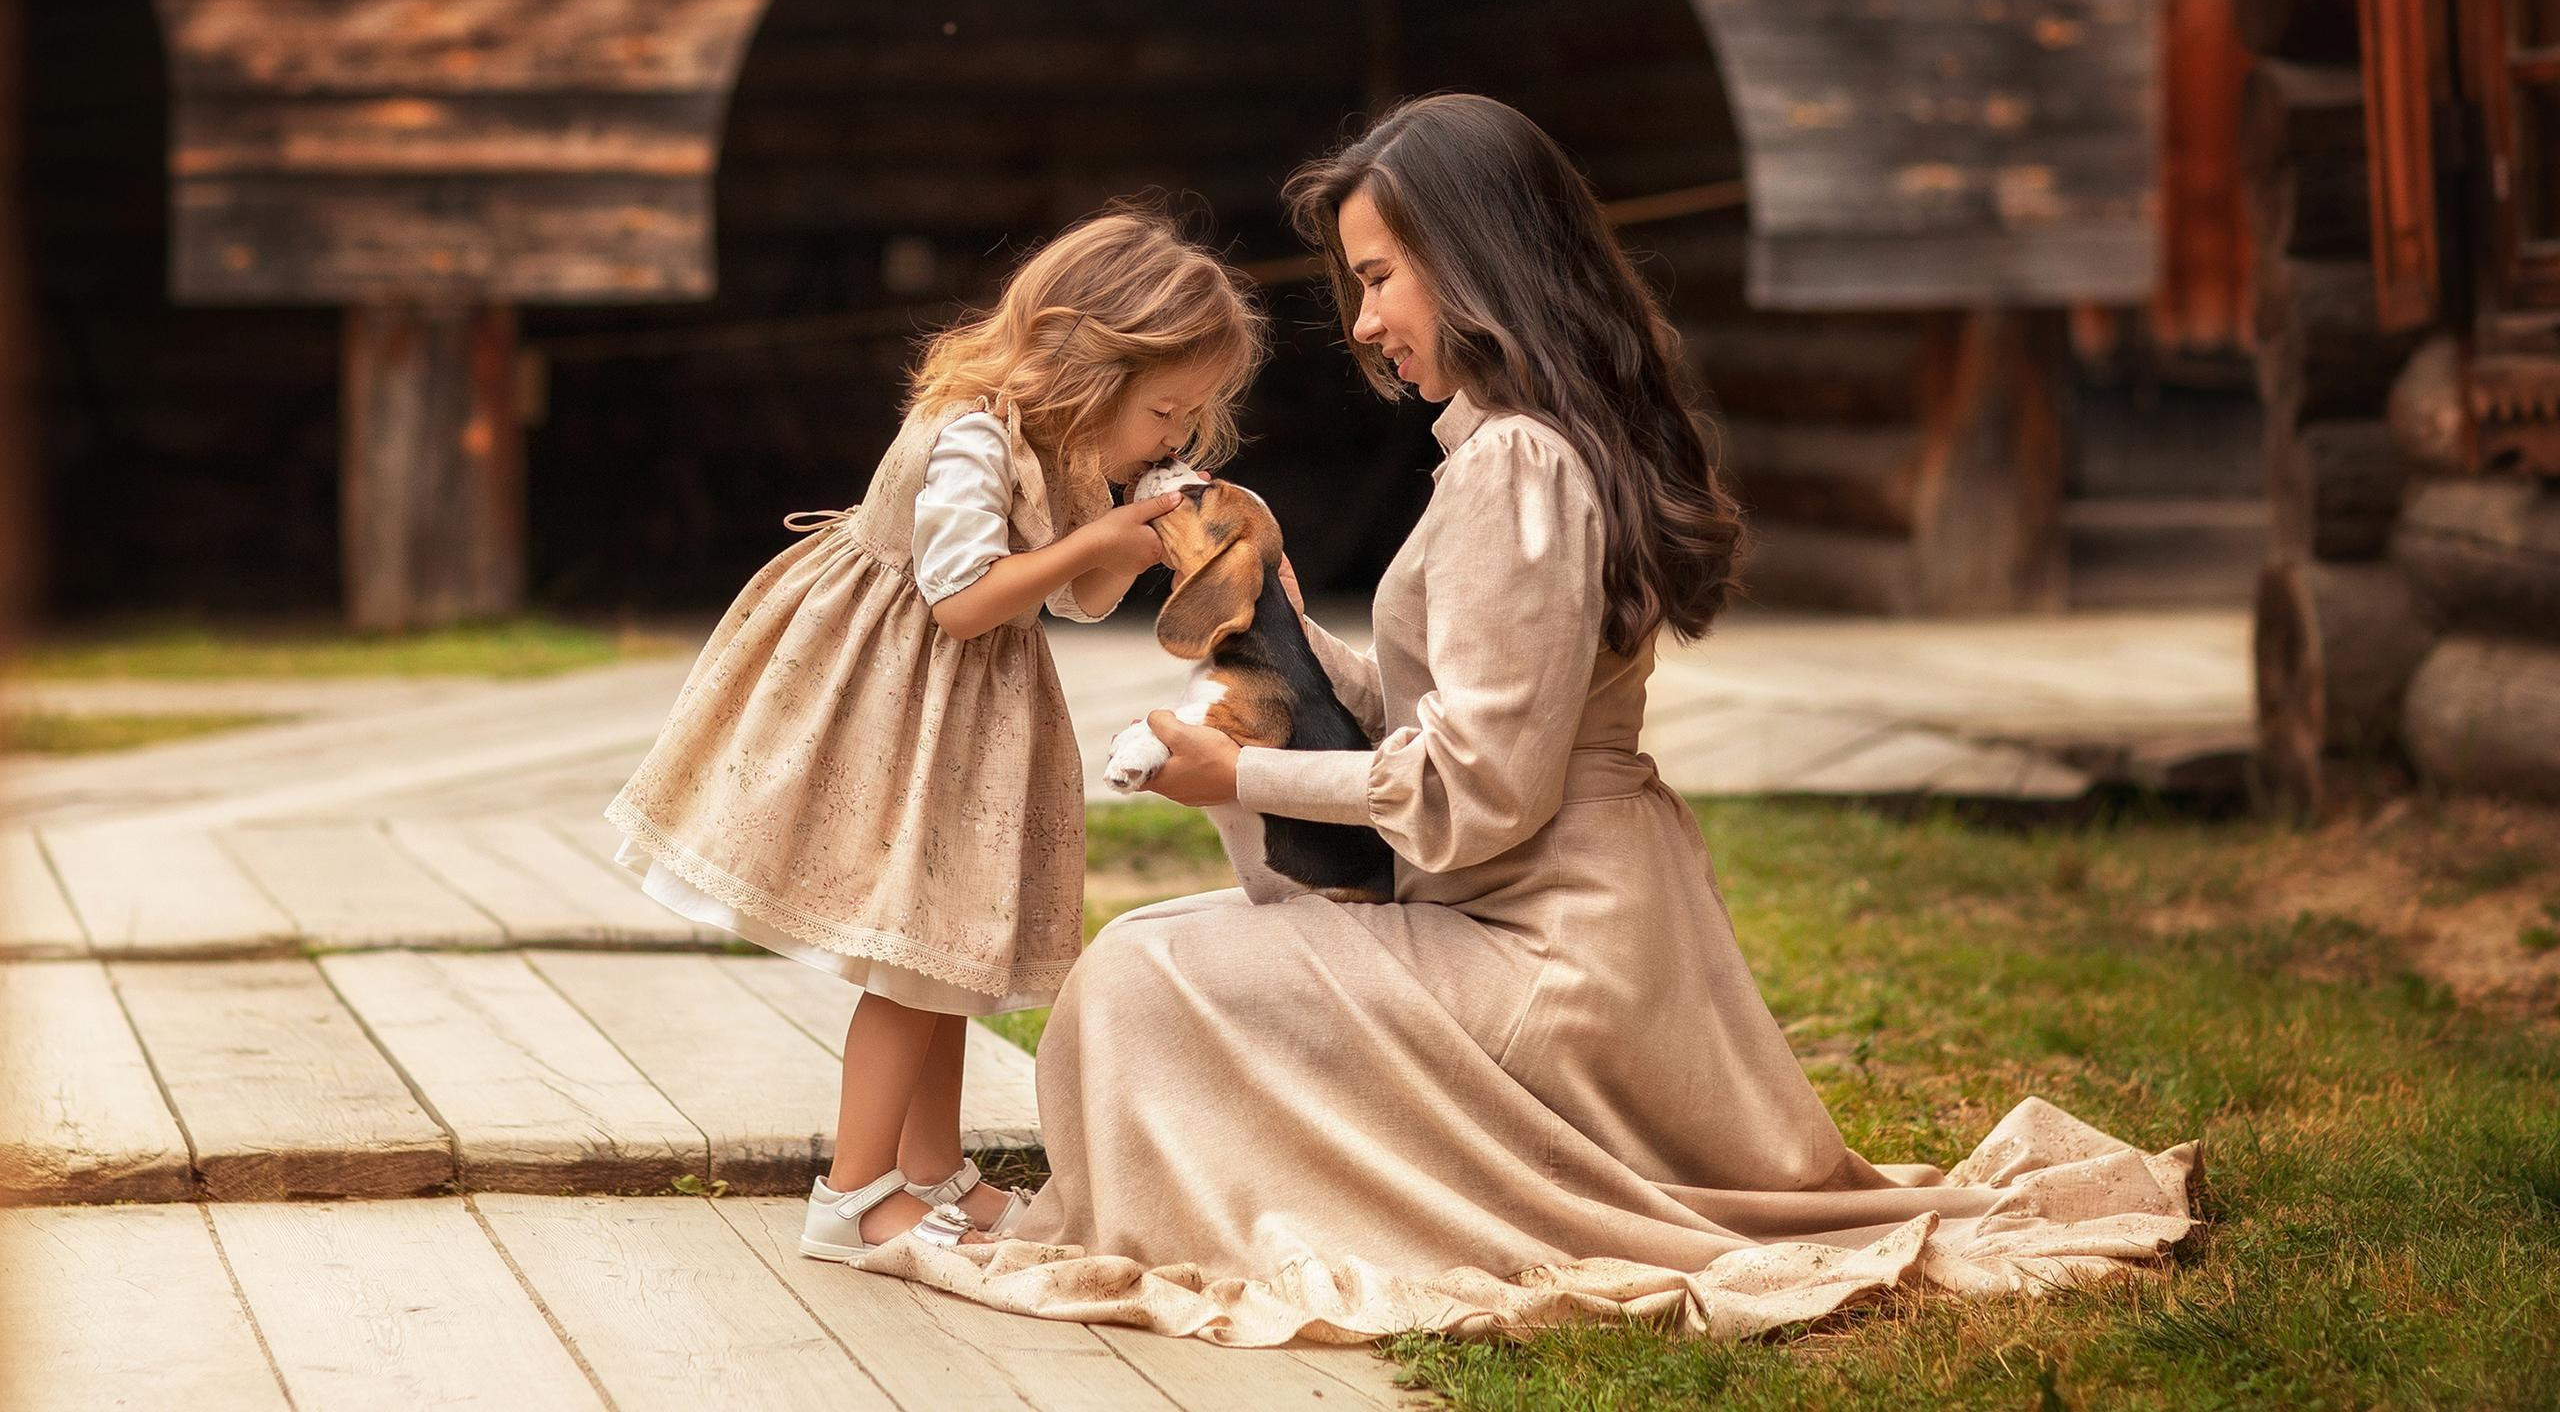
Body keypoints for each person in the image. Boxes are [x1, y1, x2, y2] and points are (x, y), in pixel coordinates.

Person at [866, 97, 2196, 1343]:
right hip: (1572, 921)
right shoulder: (1532, 448)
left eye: (1379, 277)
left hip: (1555, 952)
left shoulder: (1516, 466)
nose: (1367, 320)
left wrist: (1248, 773)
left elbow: (1479, 791)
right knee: (1150, 955)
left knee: (1139, 987)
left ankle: (1323, 1212)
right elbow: (1474, 705)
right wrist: (1265, 616)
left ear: (1475, 258)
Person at [605, 208, 1267, 1258]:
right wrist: (1095, 534)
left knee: (948, 945)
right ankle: (854, 1193)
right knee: (905, 958)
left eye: (1187, 417)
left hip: (966, 710)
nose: (1173, 438)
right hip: (893, 697)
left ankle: (929, 1168)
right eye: (1163, 410)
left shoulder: (1057, 445)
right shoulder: (969, 429)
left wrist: (1135, 545)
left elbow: (1077, 600)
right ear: (1089, 362)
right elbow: (961, 597)